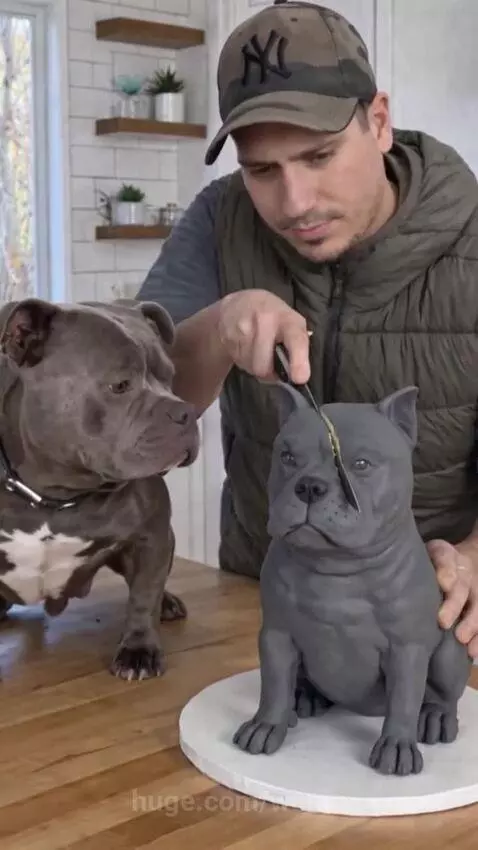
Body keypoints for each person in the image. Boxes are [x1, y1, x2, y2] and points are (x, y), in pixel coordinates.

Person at [137, 1, 478, 658]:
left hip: (431, 621)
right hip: (264, 605)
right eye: (262, 170)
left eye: (319, 156)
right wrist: (220, 326)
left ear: (379, 122)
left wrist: (473, 560)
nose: (295, 204)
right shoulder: (218, 221)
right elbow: (149, 405)